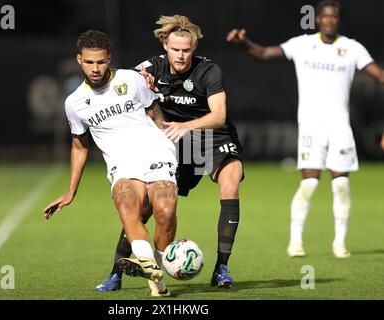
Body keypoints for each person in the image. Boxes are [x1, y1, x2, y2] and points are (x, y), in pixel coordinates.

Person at [95, 15, 244, 292]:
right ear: (166, 45)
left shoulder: (209, 71)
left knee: (231, 182)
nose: (181, 55)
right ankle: (116, 273)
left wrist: (186, 126)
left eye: (187, 50)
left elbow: (219, 115)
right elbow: (121, 85)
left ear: (194, 48)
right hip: (173, 143)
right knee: (146, 208)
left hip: (211, 137)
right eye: (176, 49)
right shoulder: (151, 67)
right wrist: (139, 83)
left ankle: (221, 268)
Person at [226, 0, 384, 258]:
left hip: (340, 127)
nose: (329, 20)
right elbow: (265, 53)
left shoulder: (352, 48)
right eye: (325, 16)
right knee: (309, 183)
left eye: (334, 17)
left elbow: (379, 75)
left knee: (341, 185)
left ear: (338, 20)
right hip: (312, 126)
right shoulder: (302, 44)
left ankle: (339, 243)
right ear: (318, 19)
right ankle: (296, 242)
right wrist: (243, 42)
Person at [43, 30, 179, 297]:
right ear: (79, 59)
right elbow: (79, 145)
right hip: (121, 163)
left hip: (156, 152)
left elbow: (155, 113)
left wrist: (173, 148)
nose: (96, 68)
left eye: (102, 62)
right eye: (90, 62)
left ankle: (155, 272)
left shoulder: (132, 79)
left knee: (165, 211)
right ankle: (154, 275)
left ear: (110, 59)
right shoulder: (75, 103)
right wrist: (72, 190)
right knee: (129, 207)